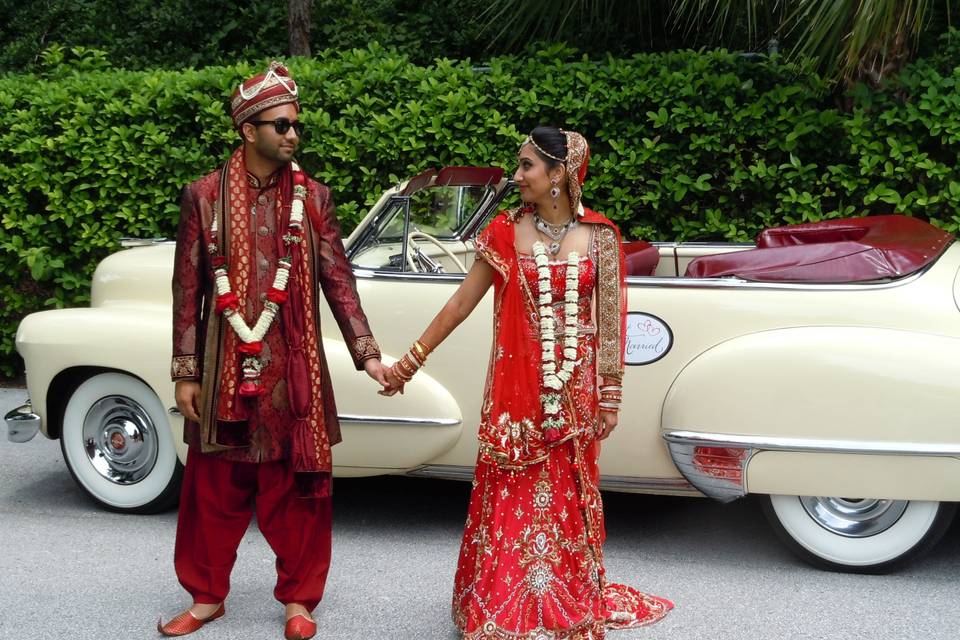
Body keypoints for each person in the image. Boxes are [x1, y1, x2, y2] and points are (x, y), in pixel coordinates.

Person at [381, 127, 673, 638]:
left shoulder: (600, 237)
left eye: (526, 167)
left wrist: (610, 394)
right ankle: (502, 605)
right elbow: (459, 304)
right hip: (515, 400)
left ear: (558, 174)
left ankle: (562, 599)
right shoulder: (503, 232)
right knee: (512, 497)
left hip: (574, 395)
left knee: (562, 496)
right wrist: (409, 362)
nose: (516, 177)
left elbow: (610, 321)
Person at [159, 61, 388, 640]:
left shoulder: (313, 199)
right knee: (213, 489)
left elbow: (339, 282)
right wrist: (185, 372)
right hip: (222, 372)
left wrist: (368, 355)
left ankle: (299, 601)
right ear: (248, 130)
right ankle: (207, 596)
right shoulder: (204, 197)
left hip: (294, 370)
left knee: (297, 491)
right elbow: (189, 289)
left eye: (295, 125)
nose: (292, 134)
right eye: (281, 124)